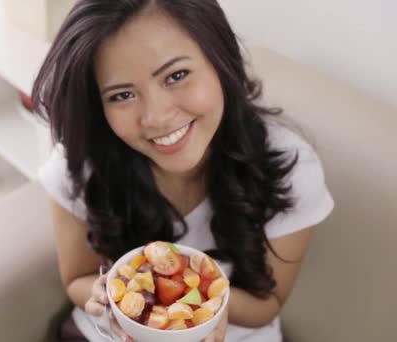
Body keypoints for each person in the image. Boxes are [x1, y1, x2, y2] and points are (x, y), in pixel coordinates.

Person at [33, 1, 334, 341]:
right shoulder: (79, 163)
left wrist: (207, 307)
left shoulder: (291, 167)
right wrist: (108, 298)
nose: (157, 117)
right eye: (122, 95)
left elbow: (268, 304)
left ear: (220, 60)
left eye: (176, 76)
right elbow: (77, 280)